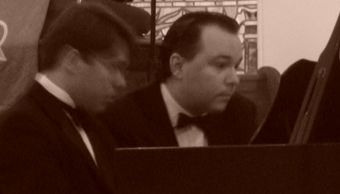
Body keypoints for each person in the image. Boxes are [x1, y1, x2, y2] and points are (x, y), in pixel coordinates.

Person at [0, 2, 135, 194]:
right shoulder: (20, 127)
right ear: (73, 60)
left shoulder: (95, 123)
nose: (121, 82)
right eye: (113, 67)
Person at [101, 11, 256, 148]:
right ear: (178, 66)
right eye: (221, 65)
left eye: (235, 66)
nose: (234, 80)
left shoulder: (241, 113)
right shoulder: (123, 121)